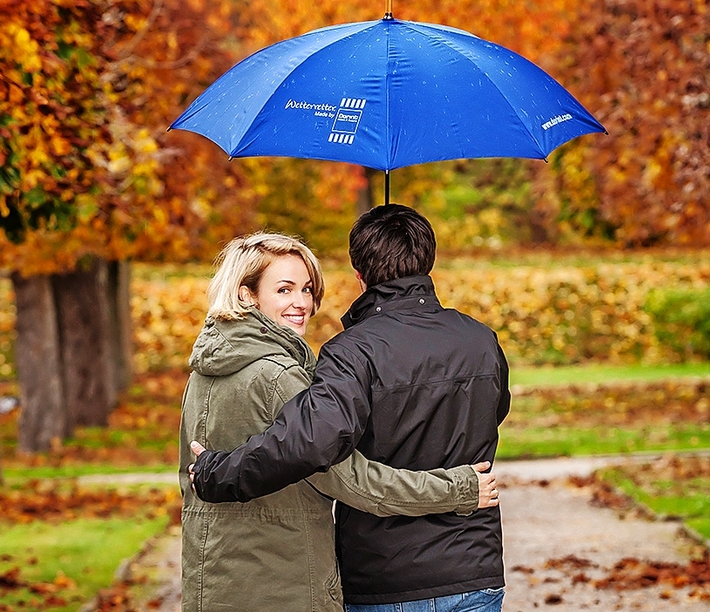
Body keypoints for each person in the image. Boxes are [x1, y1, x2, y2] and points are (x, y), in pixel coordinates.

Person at [190, 206, 511, 612]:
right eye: (287, 289)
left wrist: (224, 472)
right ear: (428, 260)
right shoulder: (482, 340)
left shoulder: (350, 352)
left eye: (306, 289)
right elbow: (494, 411)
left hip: (384, 578)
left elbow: (311, 443)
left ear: (359, 274)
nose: (302, 301)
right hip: (474, 569)